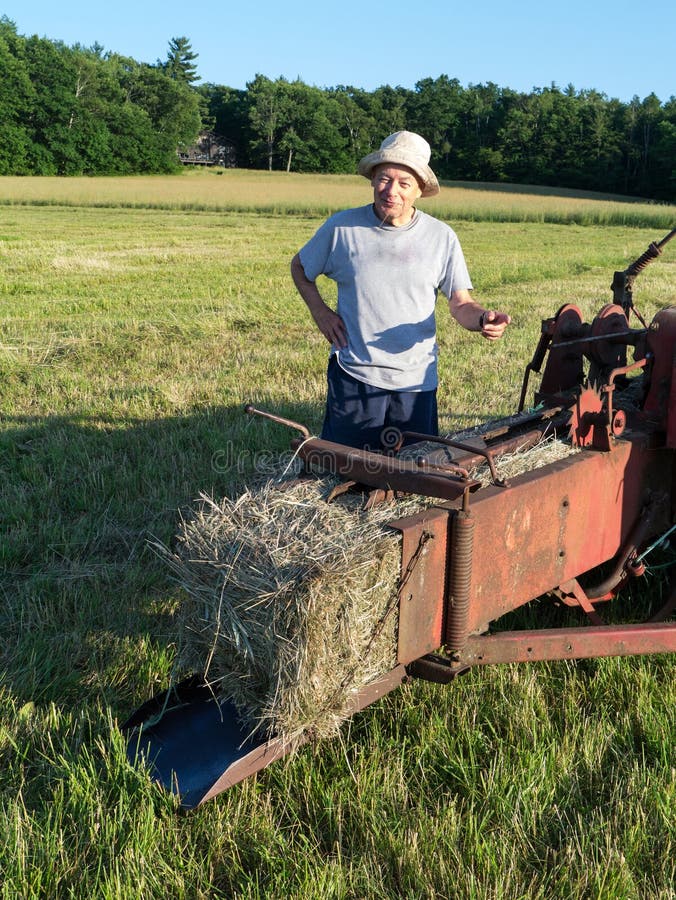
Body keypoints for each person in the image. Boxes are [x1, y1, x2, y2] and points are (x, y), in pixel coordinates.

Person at [290, 130, 511, 451]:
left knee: (414, 472)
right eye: (384, 179)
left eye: (404, 183)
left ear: (419, 190)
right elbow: (299, 268)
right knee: (346, 468)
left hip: (416, 382)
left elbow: (461, 303)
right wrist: (320, 312)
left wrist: (482, 320)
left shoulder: (441, 237)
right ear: (372, 181)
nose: (391, 191)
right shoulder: (341, 228)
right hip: (355, 375)